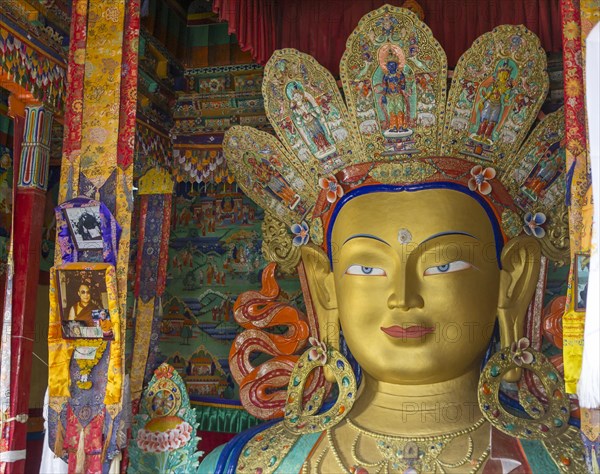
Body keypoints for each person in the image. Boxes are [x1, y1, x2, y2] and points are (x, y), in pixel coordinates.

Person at [200, 6, 582, 473]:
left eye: (443, 265)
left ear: (513, 280)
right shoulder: (245, 465)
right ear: (325, 283)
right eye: (366, 267)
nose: (404, 298)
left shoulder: (572, 462)